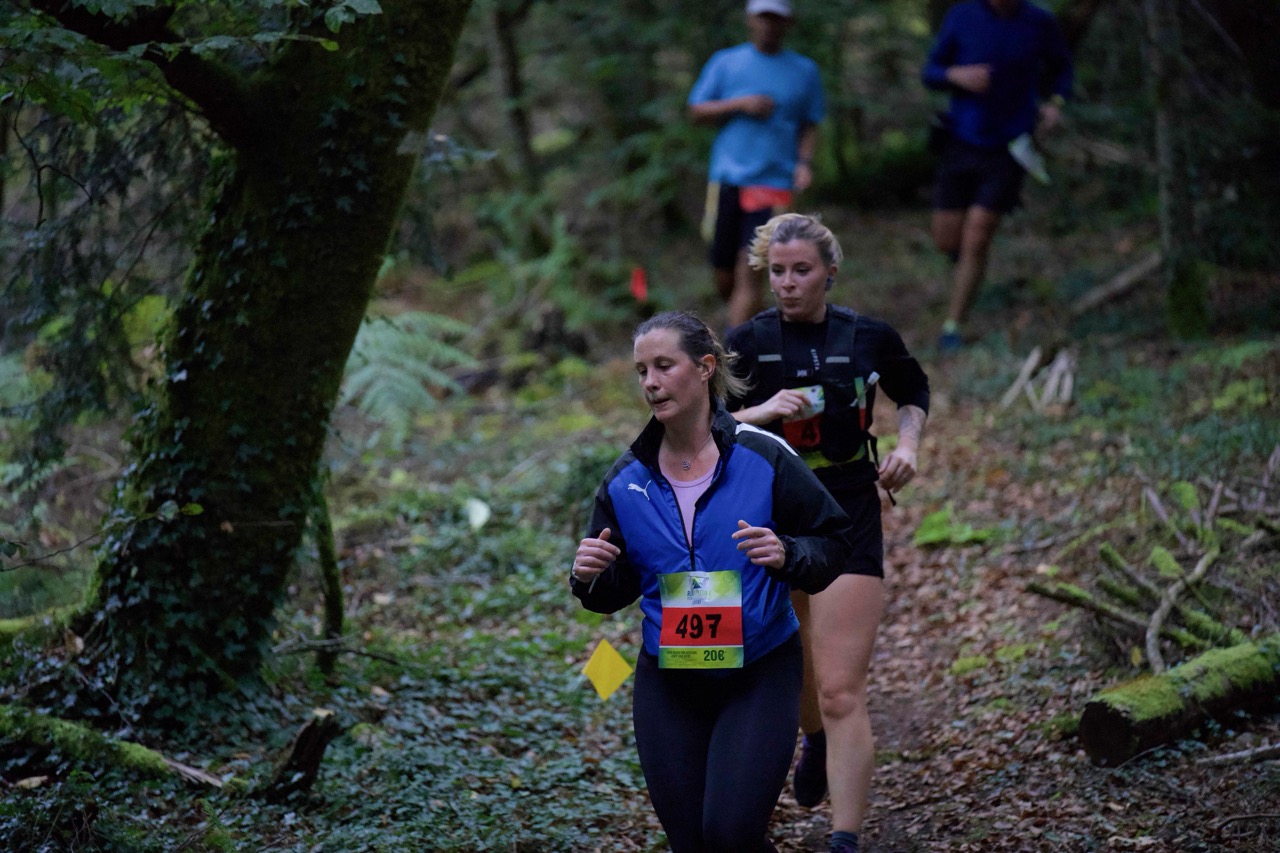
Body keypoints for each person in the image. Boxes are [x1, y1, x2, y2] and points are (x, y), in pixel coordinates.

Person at [570, 311, 857, 853]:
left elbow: (835, 540)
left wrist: (788, 553)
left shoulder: (762, 455)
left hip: (759, 672)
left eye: (664, 366)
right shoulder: (626, 479)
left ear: (705, 368)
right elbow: (613, 587)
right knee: (690, 843)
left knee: (730, 835)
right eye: (641, 371)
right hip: (669, 682)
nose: (651, 382)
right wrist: (588, 577)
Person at [725, 214, 930, 853]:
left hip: (847, 511)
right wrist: (760, 411)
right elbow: (703, 424)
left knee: (841, 689)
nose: (787, 283)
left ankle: (845, 839)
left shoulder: (869, 336)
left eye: (801, 271)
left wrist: (908, 446)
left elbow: (914, 390)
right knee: (799, 673)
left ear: (829, 273)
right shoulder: (747, 343)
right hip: (769, 515)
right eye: (777, 271)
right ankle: (811, 738)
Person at [922, 0, 1073, 352]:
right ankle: (965, 268)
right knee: (947, 239)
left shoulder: (1038, 21)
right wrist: (955, 75)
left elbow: (1062, 69)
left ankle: (953, 325)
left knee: (978, 236)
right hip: (960, 141)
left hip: (1010, 147)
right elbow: (931, 72)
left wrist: (1055, 104)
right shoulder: (963, 15)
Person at [688, 0, 825, 330]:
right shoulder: (726, 62)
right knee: (724, 275)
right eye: (764, 17)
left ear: (788, 23)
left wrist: (804, 163)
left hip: (774, 183)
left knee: (750, 269)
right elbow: (696, 111)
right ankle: (760, 329)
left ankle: (733, 353)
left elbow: (811, 123)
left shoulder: (804, 71)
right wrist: (740, 104)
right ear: (750, 19)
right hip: (727, 179)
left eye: (776, 18)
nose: (769, 24)